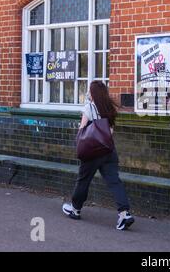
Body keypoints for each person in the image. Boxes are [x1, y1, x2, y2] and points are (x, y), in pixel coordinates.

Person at [62, 81, 134, 231]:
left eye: (89, 91)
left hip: (92, 153)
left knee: (83, 180)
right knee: (114, 181)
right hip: (108, 150)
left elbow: (82, 130)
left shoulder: (89, 108)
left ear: (92, 93)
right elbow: (110, 132)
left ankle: (75, 210)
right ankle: (124, 213)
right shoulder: (110, 108)